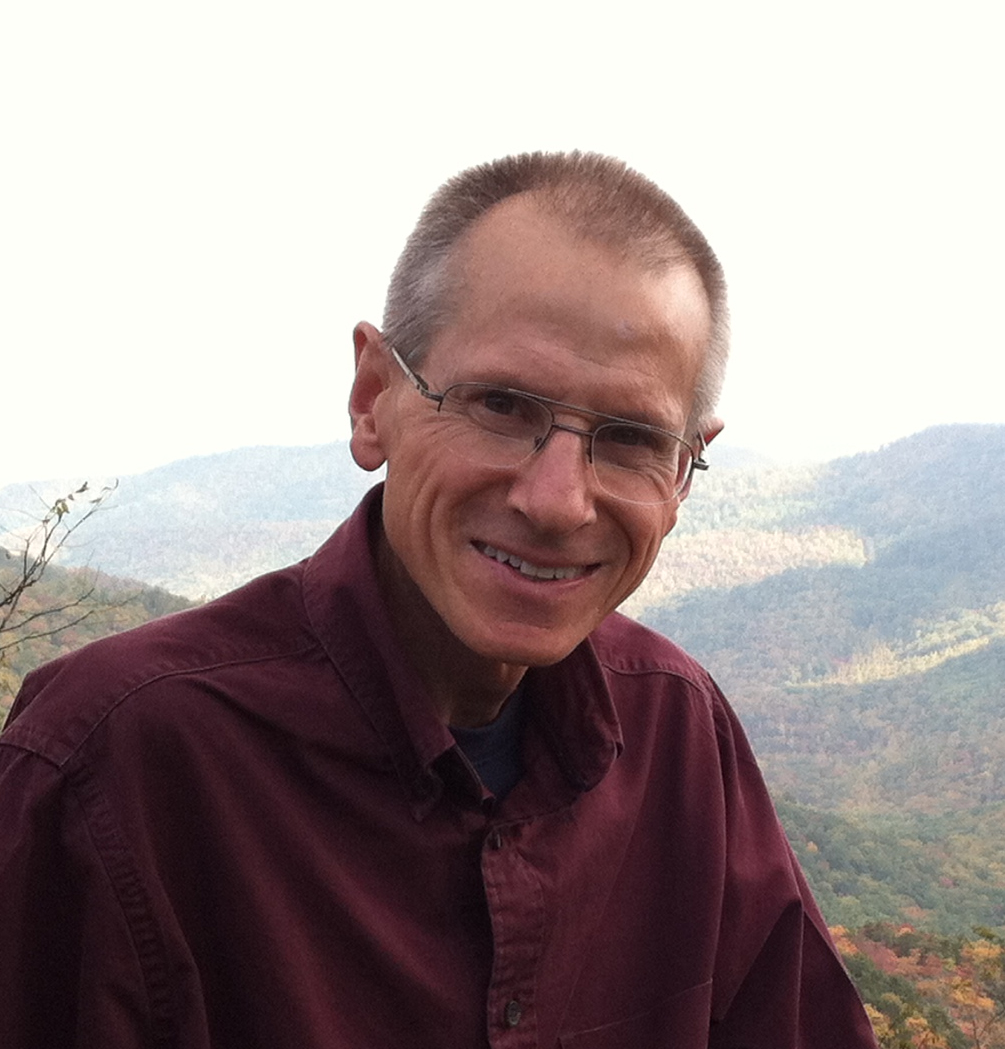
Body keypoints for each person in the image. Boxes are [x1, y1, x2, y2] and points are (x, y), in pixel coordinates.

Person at [0, 151, 877, 1048]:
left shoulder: (679, 736)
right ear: (373, 396)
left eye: (629, 439)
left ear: (685, 473)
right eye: (500, 404)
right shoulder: (116, 762)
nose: (557, 500)